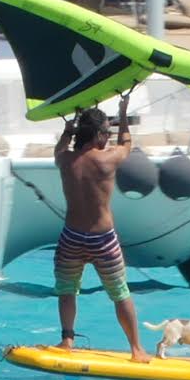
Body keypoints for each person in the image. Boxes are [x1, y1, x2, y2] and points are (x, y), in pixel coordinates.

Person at [53, 104, 150, 362]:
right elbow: (127, 144)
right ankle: (136, 349)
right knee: (120, 294)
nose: (108, 136)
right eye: (106, 131)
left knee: (67, 290)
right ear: (97, 135)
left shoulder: (64, 160)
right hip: (102, 239)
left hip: (71, 236)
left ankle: (67, 339)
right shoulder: (108, 159)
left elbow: (60, 147)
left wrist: (67, 129)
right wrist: (124, 113)